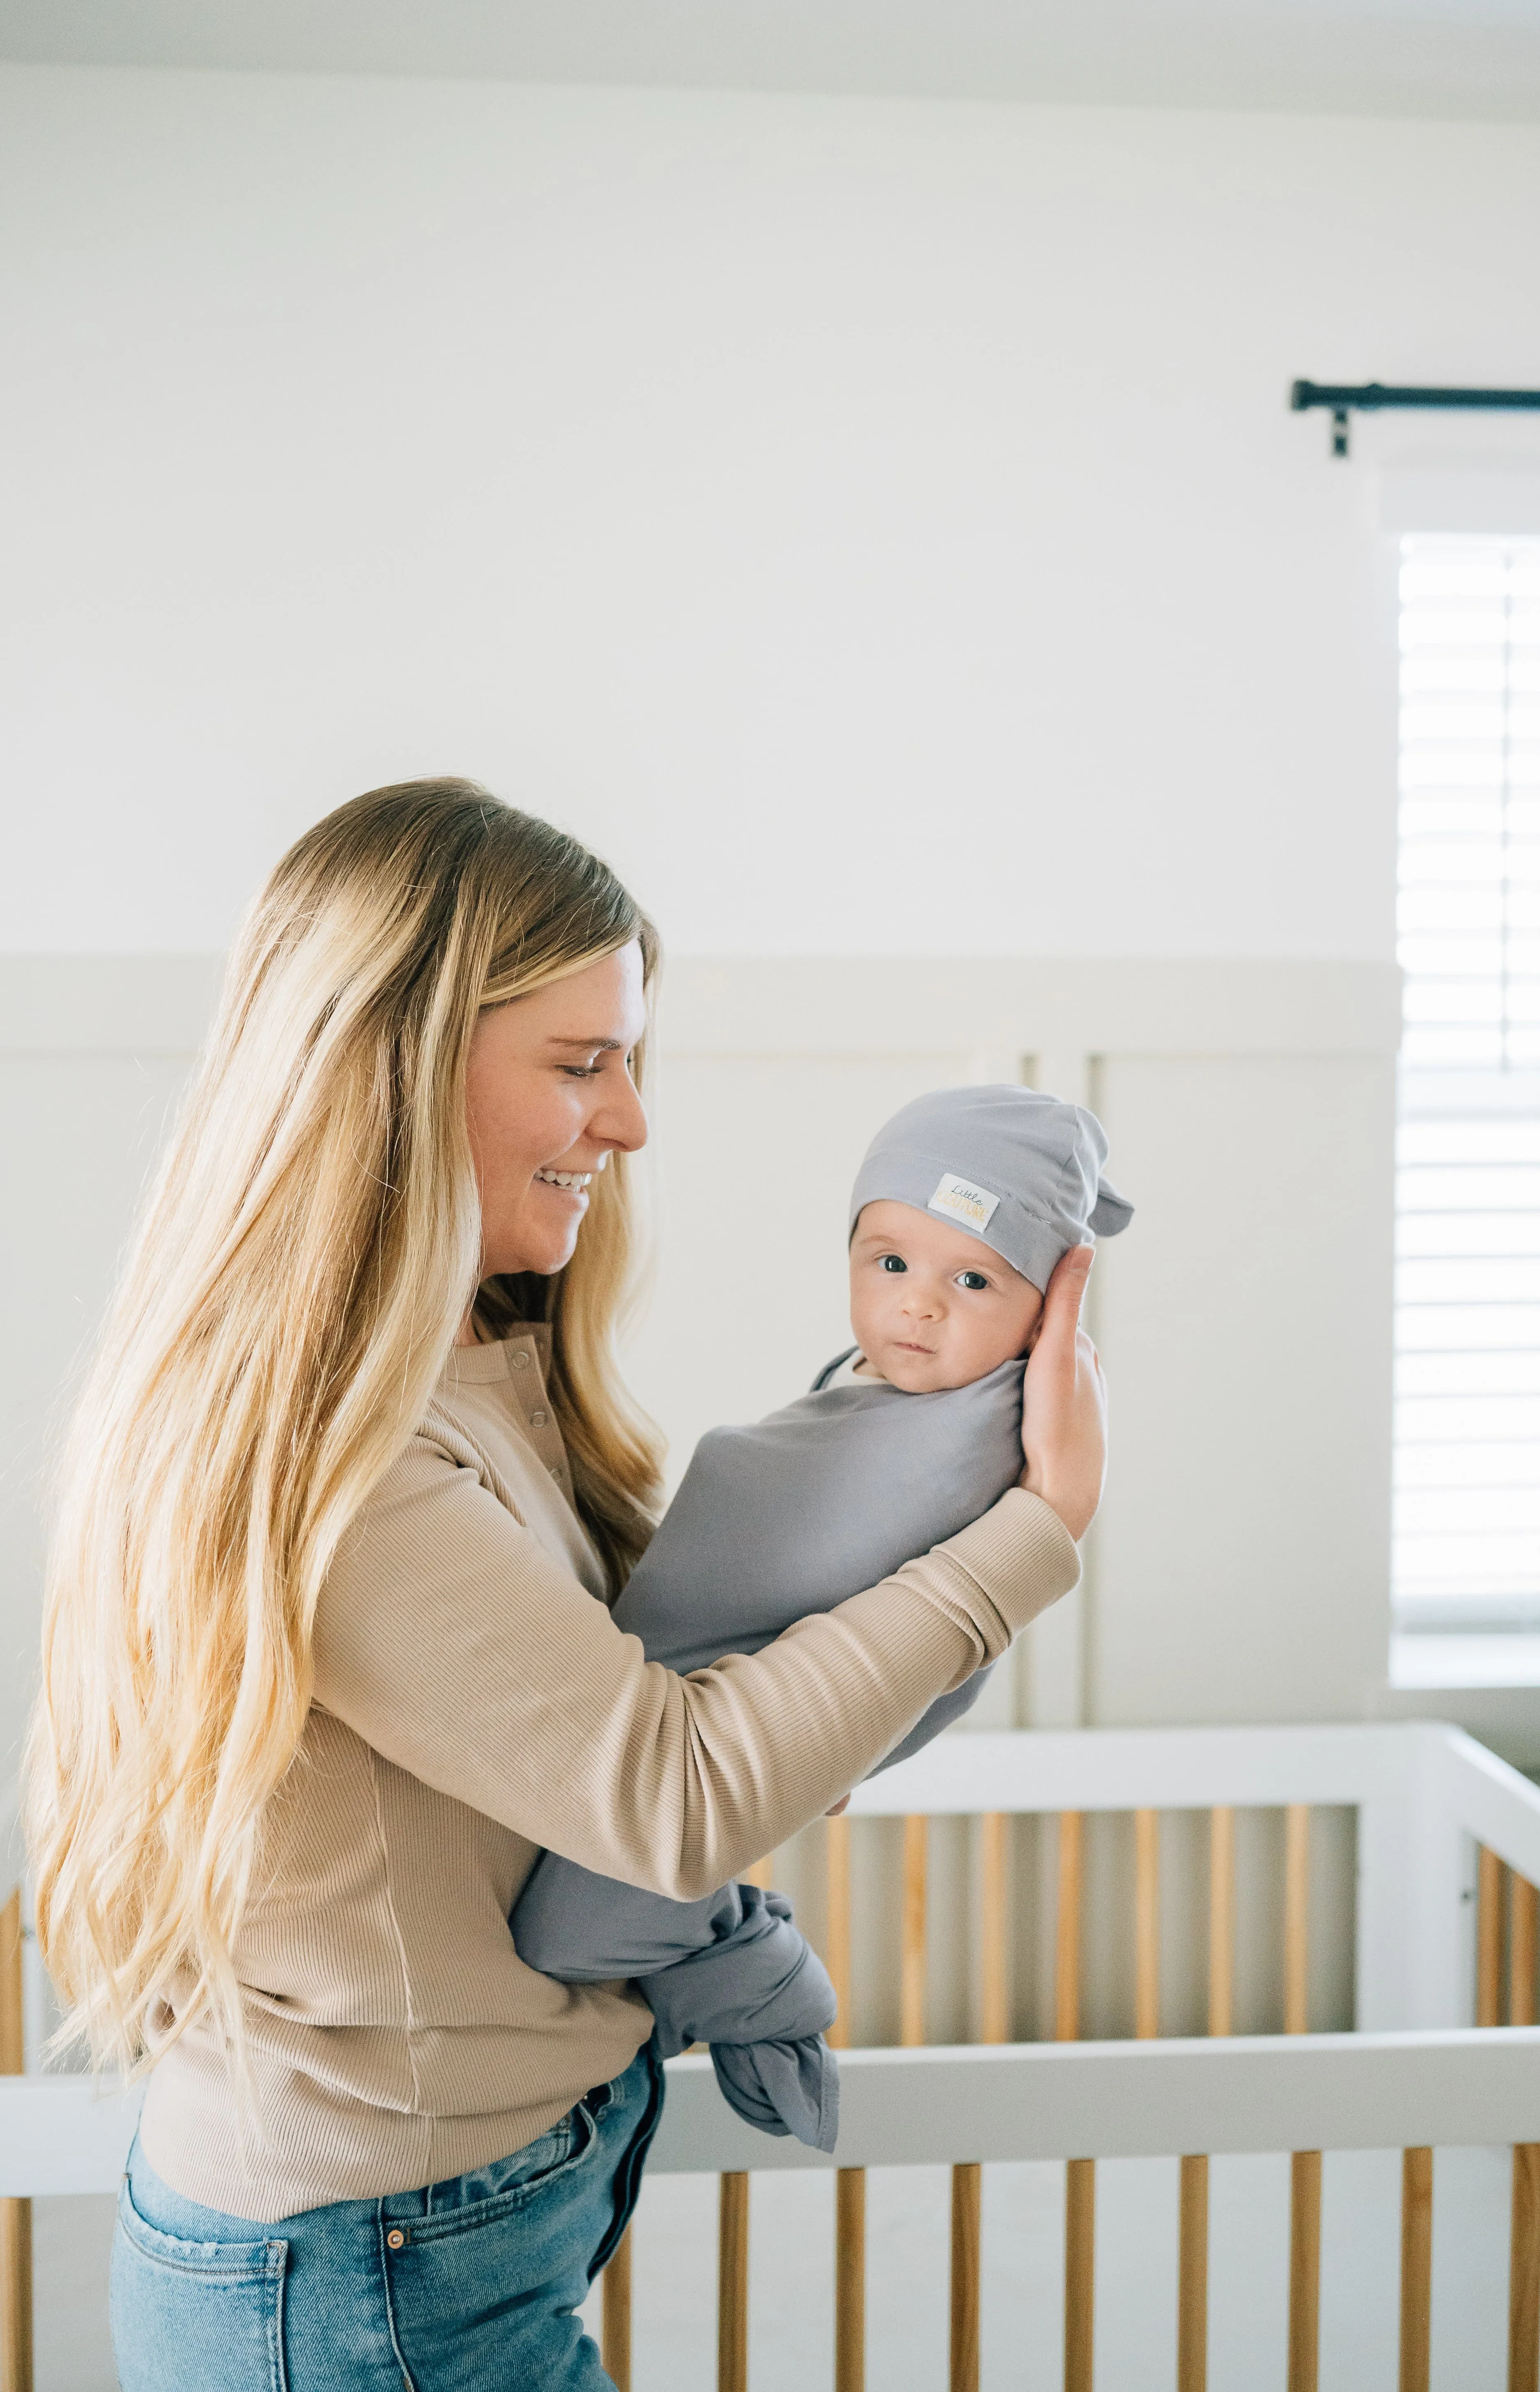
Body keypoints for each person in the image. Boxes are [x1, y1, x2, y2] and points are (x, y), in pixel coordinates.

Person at [25, 780, 1107, 2392]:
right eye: (580, 1063)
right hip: (363, 2271)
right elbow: (669, 1796)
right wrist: (1032, 1532)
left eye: (630, 1061)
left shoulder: (471, 1352)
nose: (630, 1121)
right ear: (393, 1062)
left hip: (437, 2236)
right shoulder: (349, 1461)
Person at [512, 1082, 1131, 2152]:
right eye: (889, 1262)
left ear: (1047, 1308)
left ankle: (756, 1972)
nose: (918, 1305)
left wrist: (853, 1734)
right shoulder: (883, 1385)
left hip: (724, 1707)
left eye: (973, 1278)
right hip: (672, 1684)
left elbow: (941, 1627)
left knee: (570, 1935)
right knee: (563, 1904)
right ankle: (715, 1947)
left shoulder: (999, 1428)